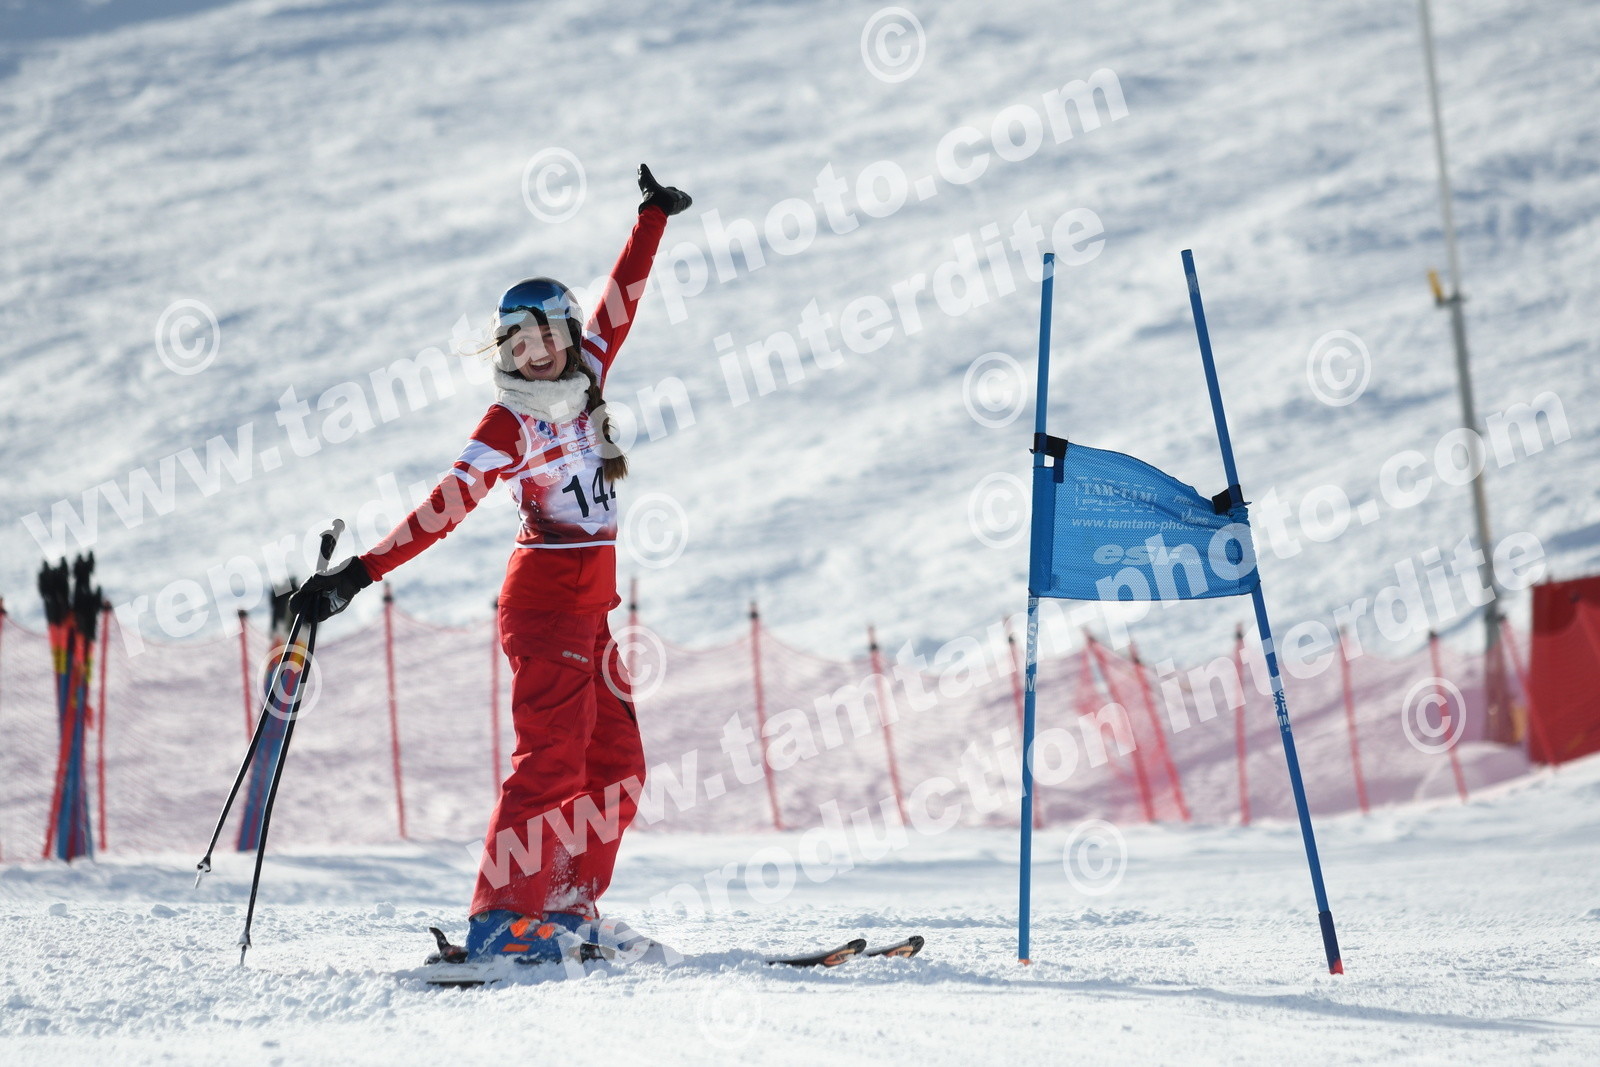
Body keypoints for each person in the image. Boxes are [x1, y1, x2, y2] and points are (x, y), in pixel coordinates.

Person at [291, 164, 692, 970]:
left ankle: (565, 901)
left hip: (590, 611)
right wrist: (360, 572)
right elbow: (446, 504)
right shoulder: (508, 423)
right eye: (518, 344)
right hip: (545, 607)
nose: (535, 355)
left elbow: (621, 299)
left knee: (616, 765)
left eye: (547, 339)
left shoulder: (589, 373)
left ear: (568, 339)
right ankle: (504, 917)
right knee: (551, 762)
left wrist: (651, 217)